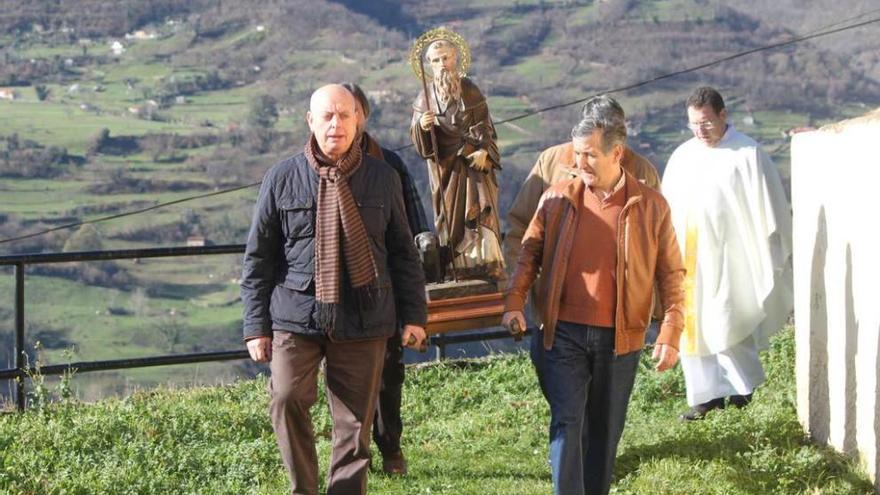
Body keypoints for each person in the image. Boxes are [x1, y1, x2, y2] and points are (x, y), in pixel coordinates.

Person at [240, 84, 427, 495]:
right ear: (310, 121)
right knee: (286, 398)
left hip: (364, 317)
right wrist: (256, 326)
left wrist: (414, 315)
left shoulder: (383, 177)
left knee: (354, 425)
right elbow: (259, 259)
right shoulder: (282, 177)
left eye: (344, 115)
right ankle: (303, 489)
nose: (335, 124)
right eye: (326, 116)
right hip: (296, 314)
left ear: (358, 119)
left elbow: (403, 251)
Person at [502, 95, 685, 495]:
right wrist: (515, 301)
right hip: (562, 332)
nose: (578, 163)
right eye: (576, 154)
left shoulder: (650, 203)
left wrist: (670, 331)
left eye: (588, 156)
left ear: (616, 152)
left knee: (604, 431)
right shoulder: (557, 196)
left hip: (620, 339)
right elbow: (529, 250)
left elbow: (671, 272)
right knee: (567, 421)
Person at [504, 98, 663, 392]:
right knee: (560, 393)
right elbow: (521, 228)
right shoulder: (552, 163)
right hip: (555, 308)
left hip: (616, 315)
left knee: (602, 402)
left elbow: (658, 247)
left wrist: (656, 309)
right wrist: (524, 288)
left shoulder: (641, 172)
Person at [663, 86, 792, 421]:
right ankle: (704, 397)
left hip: (734, 256)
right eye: (693, 124)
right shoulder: (682, 156)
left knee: (728, 319)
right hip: (689, 257)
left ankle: (742, 390)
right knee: (694, 326)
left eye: (706, 122)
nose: (700, 130)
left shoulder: (747, 153)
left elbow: (770, 210)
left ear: (723, 115)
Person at [342, 82, 431, 475]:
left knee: (388, 377)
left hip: (386, 291)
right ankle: (350, 453)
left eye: (351, 112)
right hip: (338, 293)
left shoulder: (390, 165)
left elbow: (413, 231)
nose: (345, 120)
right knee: (345, 380)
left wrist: (414, 300)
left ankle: (389, 446)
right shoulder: (314, 165)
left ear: (363, 116)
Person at [410, 33, 504, 280]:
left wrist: (485, 152)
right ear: (429, 64)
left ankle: (486, 261)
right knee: (451, 220)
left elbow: (486, 128)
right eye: (436, 60)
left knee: (480, 210)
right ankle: (457, 267)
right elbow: (423, 147)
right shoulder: (424, 98)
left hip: (474, 166)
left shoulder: (470, 91)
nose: (442, 64)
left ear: (456, 58)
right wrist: (422, 125)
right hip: (446, 171)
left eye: (446, 58)